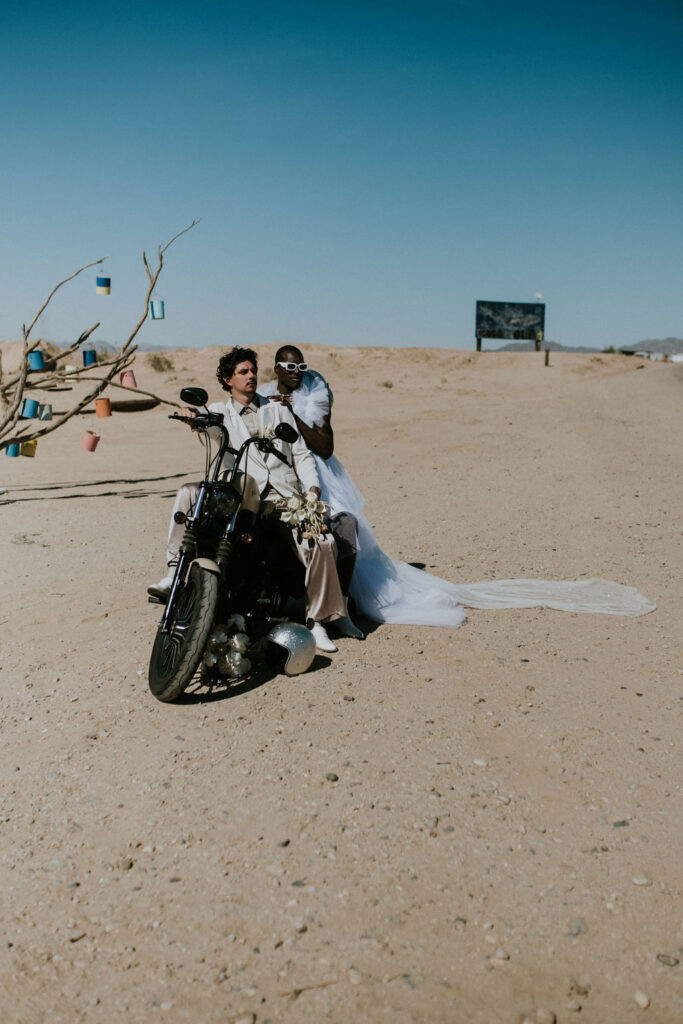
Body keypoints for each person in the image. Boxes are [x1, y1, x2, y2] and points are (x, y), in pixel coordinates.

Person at [258, 347, 656, 623]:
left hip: (320, 475)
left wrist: (296, 416)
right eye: (287, 365)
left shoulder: (314, 394)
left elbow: (326, 448)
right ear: (275, 368)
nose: (295, 371)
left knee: (342, 534)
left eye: (300, 365)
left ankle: (340, 604)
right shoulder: (263, 395)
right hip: (287, 474)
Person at [149, 347, 360, 653]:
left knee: (321, 542)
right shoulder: (221, 411)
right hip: (241, 496)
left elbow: (301, 455)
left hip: (283, 495)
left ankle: (317, 622)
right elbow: (205, 421)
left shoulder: (278, 411)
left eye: (252, 371)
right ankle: (173, 573)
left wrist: (312, 489)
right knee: (188, 492)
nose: (251, 376)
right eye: (243, 372)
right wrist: (190, 417)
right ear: (227, 379)